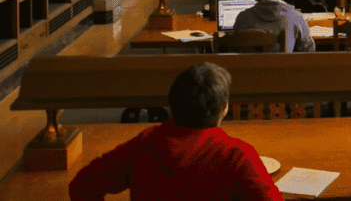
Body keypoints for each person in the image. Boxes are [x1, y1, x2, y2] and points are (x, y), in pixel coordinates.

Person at [69, 62, 283, 201]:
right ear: (224, 109)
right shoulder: (237, 156)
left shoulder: (145, 144)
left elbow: (82, 186)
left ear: (171, 105)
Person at [233, 0, 315, 52]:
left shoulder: (242, 17)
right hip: (282, 65)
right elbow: (309, 51)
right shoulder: (296, 17)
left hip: (250, 65)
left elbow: (235, 48)